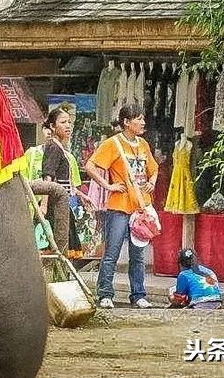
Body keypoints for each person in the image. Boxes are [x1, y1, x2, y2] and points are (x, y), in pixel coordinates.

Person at [85, 104, 158, 309]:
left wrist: (152, 182)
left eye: (143, 118)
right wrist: (108, 185)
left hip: (140, 207)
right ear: (126, 122)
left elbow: (153, 168)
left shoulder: (143, 144)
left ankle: (138, 294)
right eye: (139, 119)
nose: (143, 123)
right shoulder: (113, 144)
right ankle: (105, 294)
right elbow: (90, 166)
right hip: (119, 205)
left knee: (138, 254)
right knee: (112, 252)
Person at [41, 106, 96, 258]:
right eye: (63, 122)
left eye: (69, 122)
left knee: (67, 244)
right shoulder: (52, 147)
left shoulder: (60, 148)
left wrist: (80, 195)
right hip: (55, 203)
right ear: (52, 126)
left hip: (62, 201)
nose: (68, 126)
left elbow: (64, 180)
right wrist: (44, 206)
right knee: (62, 245)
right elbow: (48, 177)